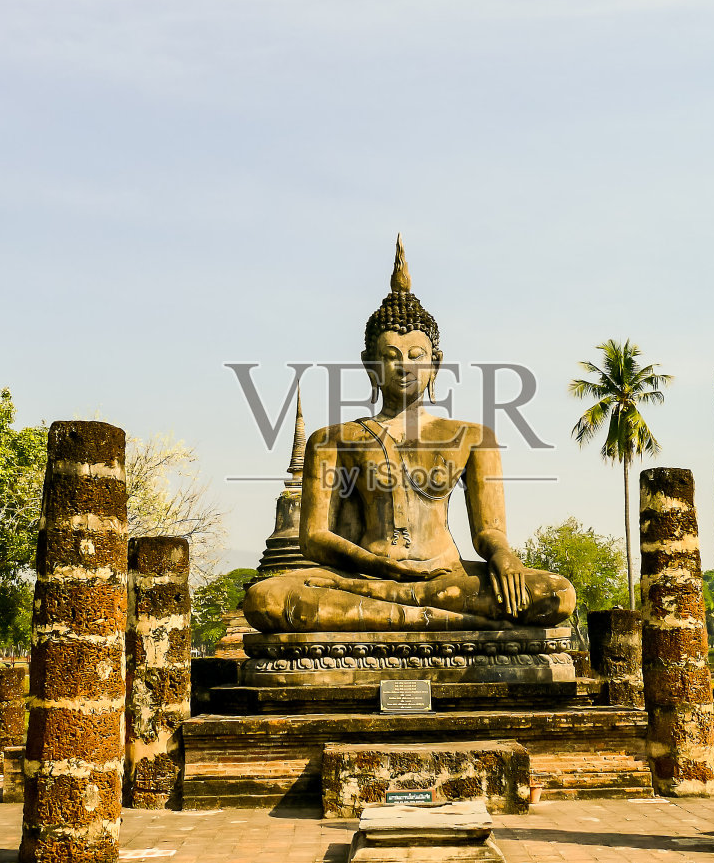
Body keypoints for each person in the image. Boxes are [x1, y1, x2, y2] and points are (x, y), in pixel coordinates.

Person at [243, 239, 574, 636]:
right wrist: (375, 565)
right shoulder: (333, 439)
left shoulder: (471, 437)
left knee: (556, 595)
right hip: (365, 578)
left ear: (436, 364)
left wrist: (504, 557)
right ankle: (449, 622)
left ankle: (409, 616)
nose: (404, 366)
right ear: (370, 365)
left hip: (444, 577)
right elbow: (314, 538)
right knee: (266, 600)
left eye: (417, 355)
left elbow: (488, 531)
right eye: (391, 355)